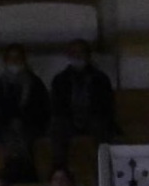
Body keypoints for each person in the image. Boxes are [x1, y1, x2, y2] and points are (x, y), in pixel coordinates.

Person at [49, 40, 120, 172]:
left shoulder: (100, 78)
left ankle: (104, 169)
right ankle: (60, 171)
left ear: (88, 55)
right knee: (57, 127)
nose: (77, 56)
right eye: (73, 53)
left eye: (81, 52)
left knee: (102, 127)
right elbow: (57, 107)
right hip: (68, 120)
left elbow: (106, 106)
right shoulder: (60, 79)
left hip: (93, 119)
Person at [0, 44, 49, 182]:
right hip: (5, 127)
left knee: (23, 136)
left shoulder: (35, 83)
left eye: (18, 57)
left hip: (31, 126)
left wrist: (24, 121)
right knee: (11, 137)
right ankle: (17, 169)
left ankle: (22, 170)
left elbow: (42, 109)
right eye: (11, 58)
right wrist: (9, 122)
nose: (14, 61)